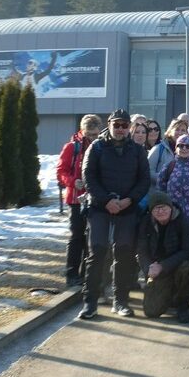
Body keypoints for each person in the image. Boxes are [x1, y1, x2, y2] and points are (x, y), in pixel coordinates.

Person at [78, 109, 150, 320]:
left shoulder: (137, 150)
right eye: (116, 125)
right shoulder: (97, 147)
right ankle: (90, 302)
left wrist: (129, 200)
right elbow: (88, 176)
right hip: (100, 207)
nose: (120, 129)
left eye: (124, 125)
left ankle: (121, 301)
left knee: (125, 252)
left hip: (127, 207)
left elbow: (144, 180)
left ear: (130, 127)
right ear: (109, 125)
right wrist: (106, 201)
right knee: (97, 250)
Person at [136, 191, 189, 323]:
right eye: (156, 208)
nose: (160, 211)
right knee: (151, 311)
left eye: (164, 207)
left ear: (171, 207)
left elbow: (188, 250)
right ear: (151, 211)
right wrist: (148, 269)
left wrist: (163, 266)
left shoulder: (182, 220)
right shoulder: (145, 222)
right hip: (156, 268)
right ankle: (169, 295)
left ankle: (182, 305)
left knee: (188, 266)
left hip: (175, 265)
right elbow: (142, 249)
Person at [56, 114, 101, 287]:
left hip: (94, 198)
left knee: (90, 238)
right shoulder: (72, 147)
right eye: (89, 134)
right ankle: (72, 274)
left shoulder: (100, 147)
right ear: (82, 131)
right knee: (76, 236)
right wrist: (73, 181)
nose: (92, 138)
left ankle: (85, 274)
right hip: (75, 199)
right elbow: (61, 171)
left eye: (95, 134)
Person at [148, 119, 187, 187]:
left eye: (183, 130)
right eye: (177, 129)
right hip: (161, 194)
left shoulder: (188, 151)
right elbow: (149, 171)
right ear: (170, 131)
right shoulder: (158, 149)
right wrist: (165, 179)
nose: (180, 133)